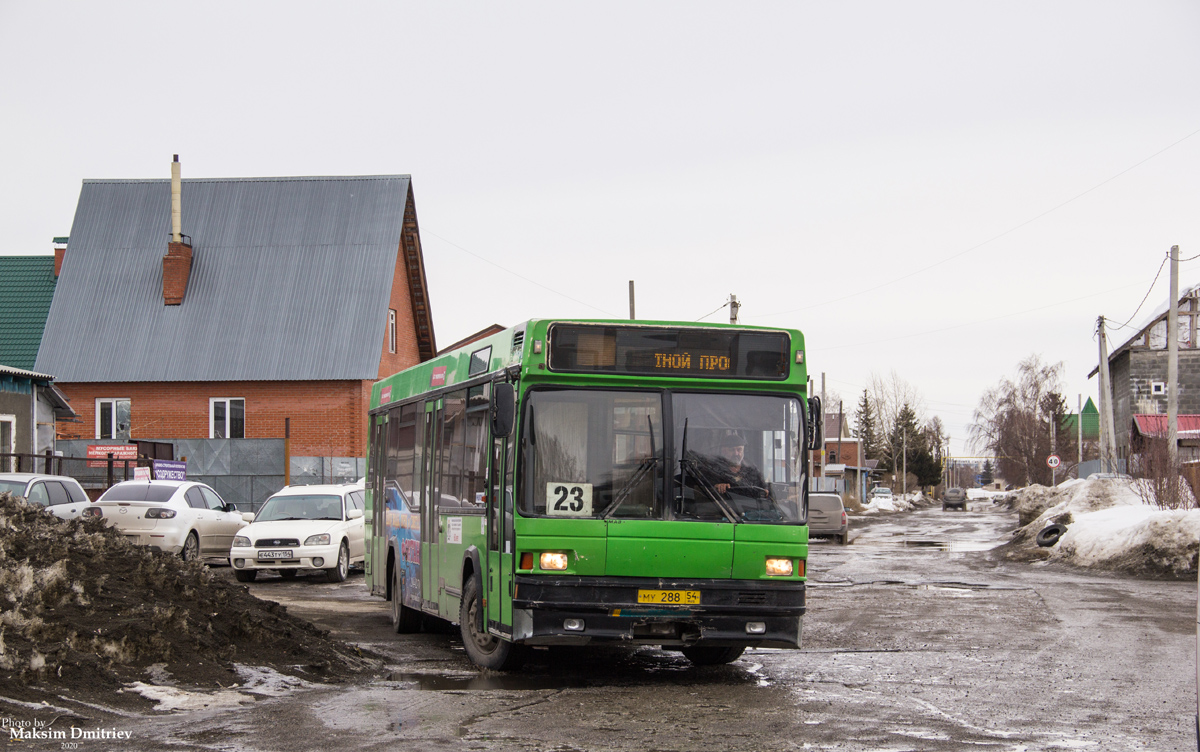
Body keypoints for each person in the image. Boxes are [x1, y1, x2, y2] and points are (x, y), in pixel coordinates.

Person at [697, 430, 768, 497]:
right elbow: (701, 491)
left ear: (743, 450)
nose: (736, 453)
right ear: (723, 451)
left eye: (739, 450)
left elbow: (765, 490)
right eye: (731, 450)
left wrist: (766, 492)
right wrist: (716, 487)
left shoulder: (752, 470)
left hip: (750, 508)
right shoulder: (712, 469)